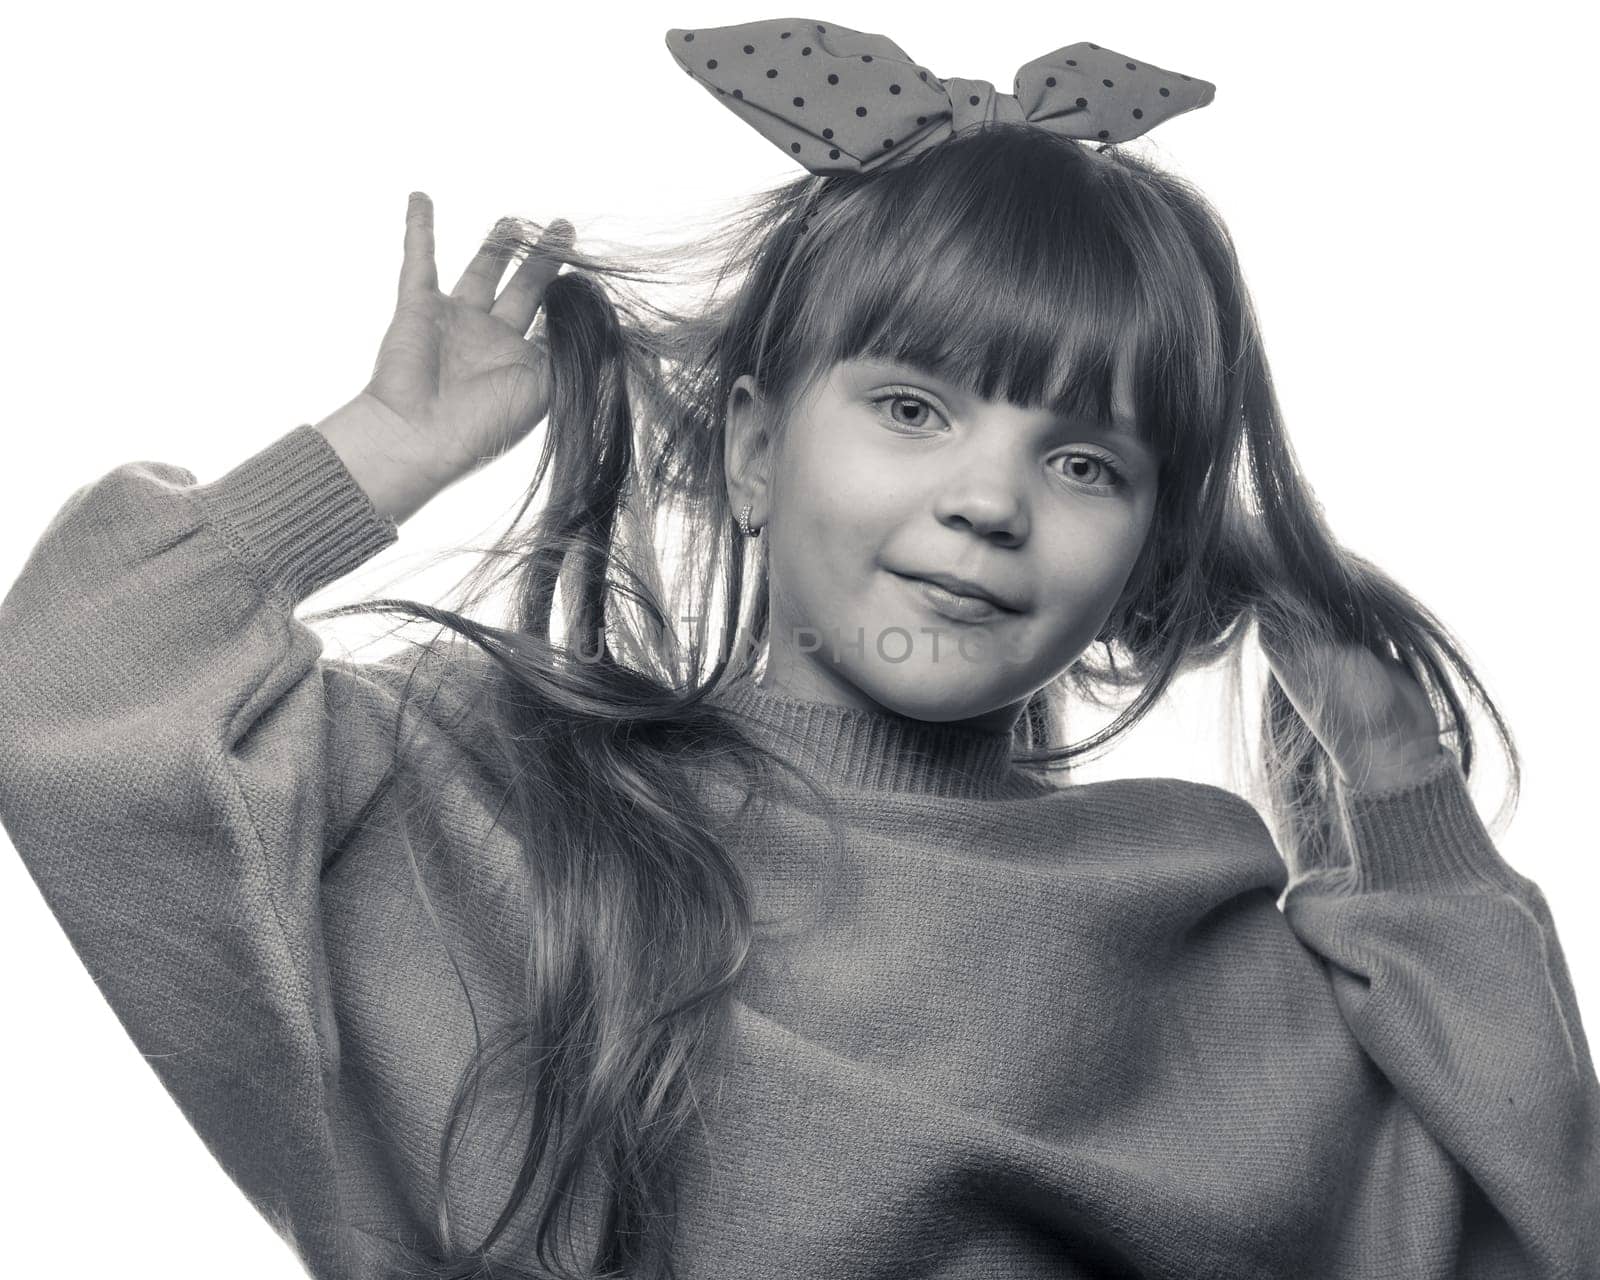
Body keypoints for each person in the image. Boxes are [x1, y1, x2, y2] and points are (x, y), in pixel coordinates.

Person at [1, 17, 1595, 1280]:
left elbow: (1535, 1214)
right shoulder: (498, 795)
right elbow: (71, 688)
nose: (987, 501)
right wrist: (374, 454)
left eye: (1085, 463)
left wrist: (1390, 783)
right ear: (756, 453)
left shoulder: (1195, 919)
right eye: (913, 408)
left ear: (1145, 559)